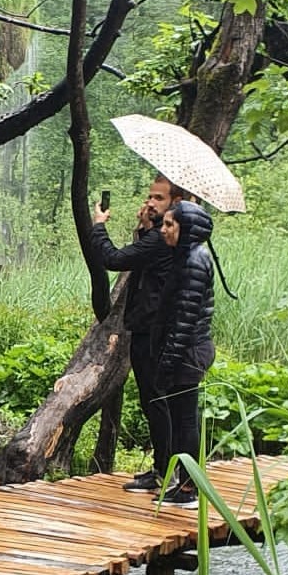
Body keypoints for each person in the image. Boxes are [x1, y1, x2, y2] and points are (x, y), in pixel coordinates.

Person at [88, 176, 197, 492]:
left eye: (158, 198)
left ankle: (170, 474)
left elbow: (114, 259)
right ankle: (164, 469)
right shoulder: (165, 236)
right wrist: (146, 228)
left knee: (159, 404)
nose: (150, 202)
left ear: (176, 203)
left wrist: (99, 226)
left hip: (154, 331)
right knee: (155, 403)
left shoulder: (163, 240)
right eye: (150, 196)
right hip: (150, 327)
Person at [153, 201, 217, 506]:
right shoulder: (186, 257)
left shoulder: (193, 262)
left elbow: (184, 320)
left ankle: (190, 488)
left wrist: (167, 362)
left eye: (169, 225)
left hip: (188, 352)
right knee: (181, 419)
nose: (163, 230)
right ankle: (185, 483)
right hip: (185, 350)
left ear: (187, 229)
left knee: (185, 421)